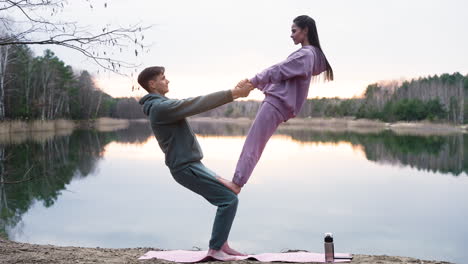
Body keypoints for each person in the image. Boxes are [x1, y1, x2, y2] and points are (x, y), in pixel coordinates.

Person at [138, 66, 253, 259]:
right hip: (185, 167)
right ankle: (215, 250)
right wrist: (235, 93)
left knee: (231, 194)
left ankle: (222, 245)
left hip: (192, 164)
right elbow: (198, 103)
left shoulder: (162, 105)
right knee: (228, 200)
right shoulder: (160, 108)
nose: (167, 81)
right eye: (163, 78)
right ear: (152, 84)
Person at [217, 15, 334, 194]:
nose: (291, 35)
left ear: (305, 30)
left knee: (253, 143)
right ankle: (238, 182)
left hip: (276, 103)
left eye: (294, 31)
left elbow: (278, 70)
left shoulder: (306, 55)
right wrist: (254, 84)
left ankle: (236, 183)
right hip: (280, 104)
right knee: (256, 144)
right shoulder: (311, 56)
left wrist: (252, 81)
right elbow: (282, 75)